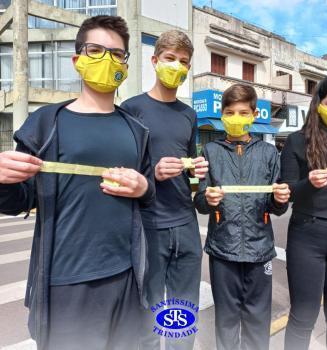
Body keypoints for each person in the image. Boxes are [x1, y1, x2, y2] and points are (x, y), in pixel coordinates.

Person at [0, 15, 155, 350]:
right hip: (66, 283)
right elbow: (19, 200)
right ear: (77, 59)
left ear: (125, 64)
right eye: (96, 50)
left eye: (117, 54)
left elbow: (149, 190)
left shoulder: (137, 131)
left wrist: (143, 187)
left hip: (129, 278)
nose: (107, 59)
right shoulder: (45, 123)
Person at [121, 30, 208, 350]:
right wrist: (152, 172)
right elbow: (121, 168)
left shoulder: (189, 114)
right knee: (147, 311)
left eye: (183, 62)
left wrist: (198, 174)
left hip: (185, 222)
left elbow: (192, 170)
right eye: (170, 59)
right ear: (155, 61)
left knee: (184, 313)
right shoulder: (132, 108)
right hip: (148, 222)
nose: (177, 67)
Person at [194, 83, 290, 350]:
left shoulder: (269, 152)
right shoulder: (210, 152)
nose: (236, 118)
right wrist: (208, 200)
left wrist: (280, 200)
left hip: (260, 249)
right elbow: (200, 201)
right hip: (222, 249)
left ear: (254, 114)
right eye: (230, 112)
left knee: (258, 319)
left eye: (243, 112)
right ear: (223, 114)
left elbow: (275, 205)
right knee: (226, 320)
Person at [281, 74, 327, 350]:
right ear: (318, 104)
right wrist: (307, 185)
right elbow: (284, 193)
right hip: (306, 235)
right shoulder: (298, 141)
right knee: (302, 317)